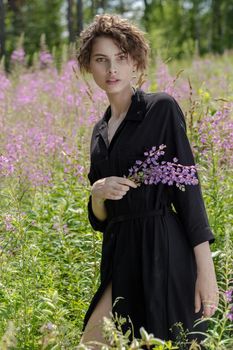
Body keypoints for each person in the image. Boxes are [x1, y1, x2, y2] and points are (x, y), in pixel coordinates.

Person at [76, 13, 219, 349]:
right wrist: (97, 195)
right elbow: (101, 221)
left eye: (121, 58)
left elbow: (188, 189)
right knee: (92, 342)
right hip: (118, 253)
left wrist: (206, 270)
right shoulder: (99, 132)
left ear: (135, 62)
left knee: (168, 341)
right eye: (101, 60)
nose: (112, 69)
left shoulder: (161, 109)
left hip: (162, 249)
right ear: (89, 67)